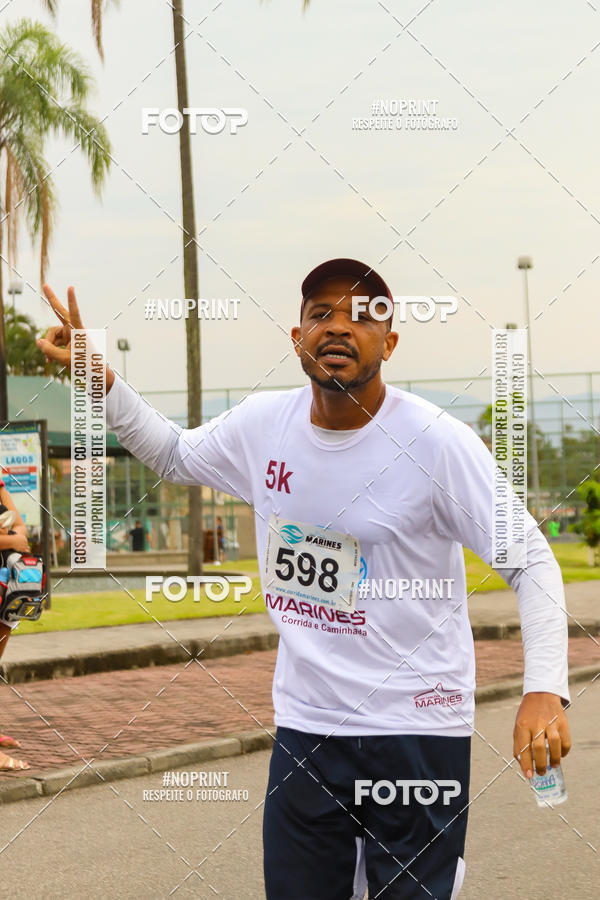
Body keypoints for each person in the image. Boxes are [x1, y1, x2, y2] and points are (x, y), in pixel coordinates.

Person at [38, 264, 571, 899]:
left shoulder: (436, 445)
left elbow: (530, 558)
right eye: (321, 314)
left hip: (417, 731)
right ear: (298, 337)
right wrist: (100, 384)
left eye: (363, 316)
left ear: (390, 342)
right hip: (308, 729)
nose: (339, 327)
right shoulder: (263, 426)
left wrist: (544, 689)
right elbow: (174, 455)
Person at [0, 478, 31, 771]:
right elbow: (16, 536)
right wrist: (10, 539)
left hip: (5, 581)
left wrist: (13, 534)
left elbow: (20, 525)